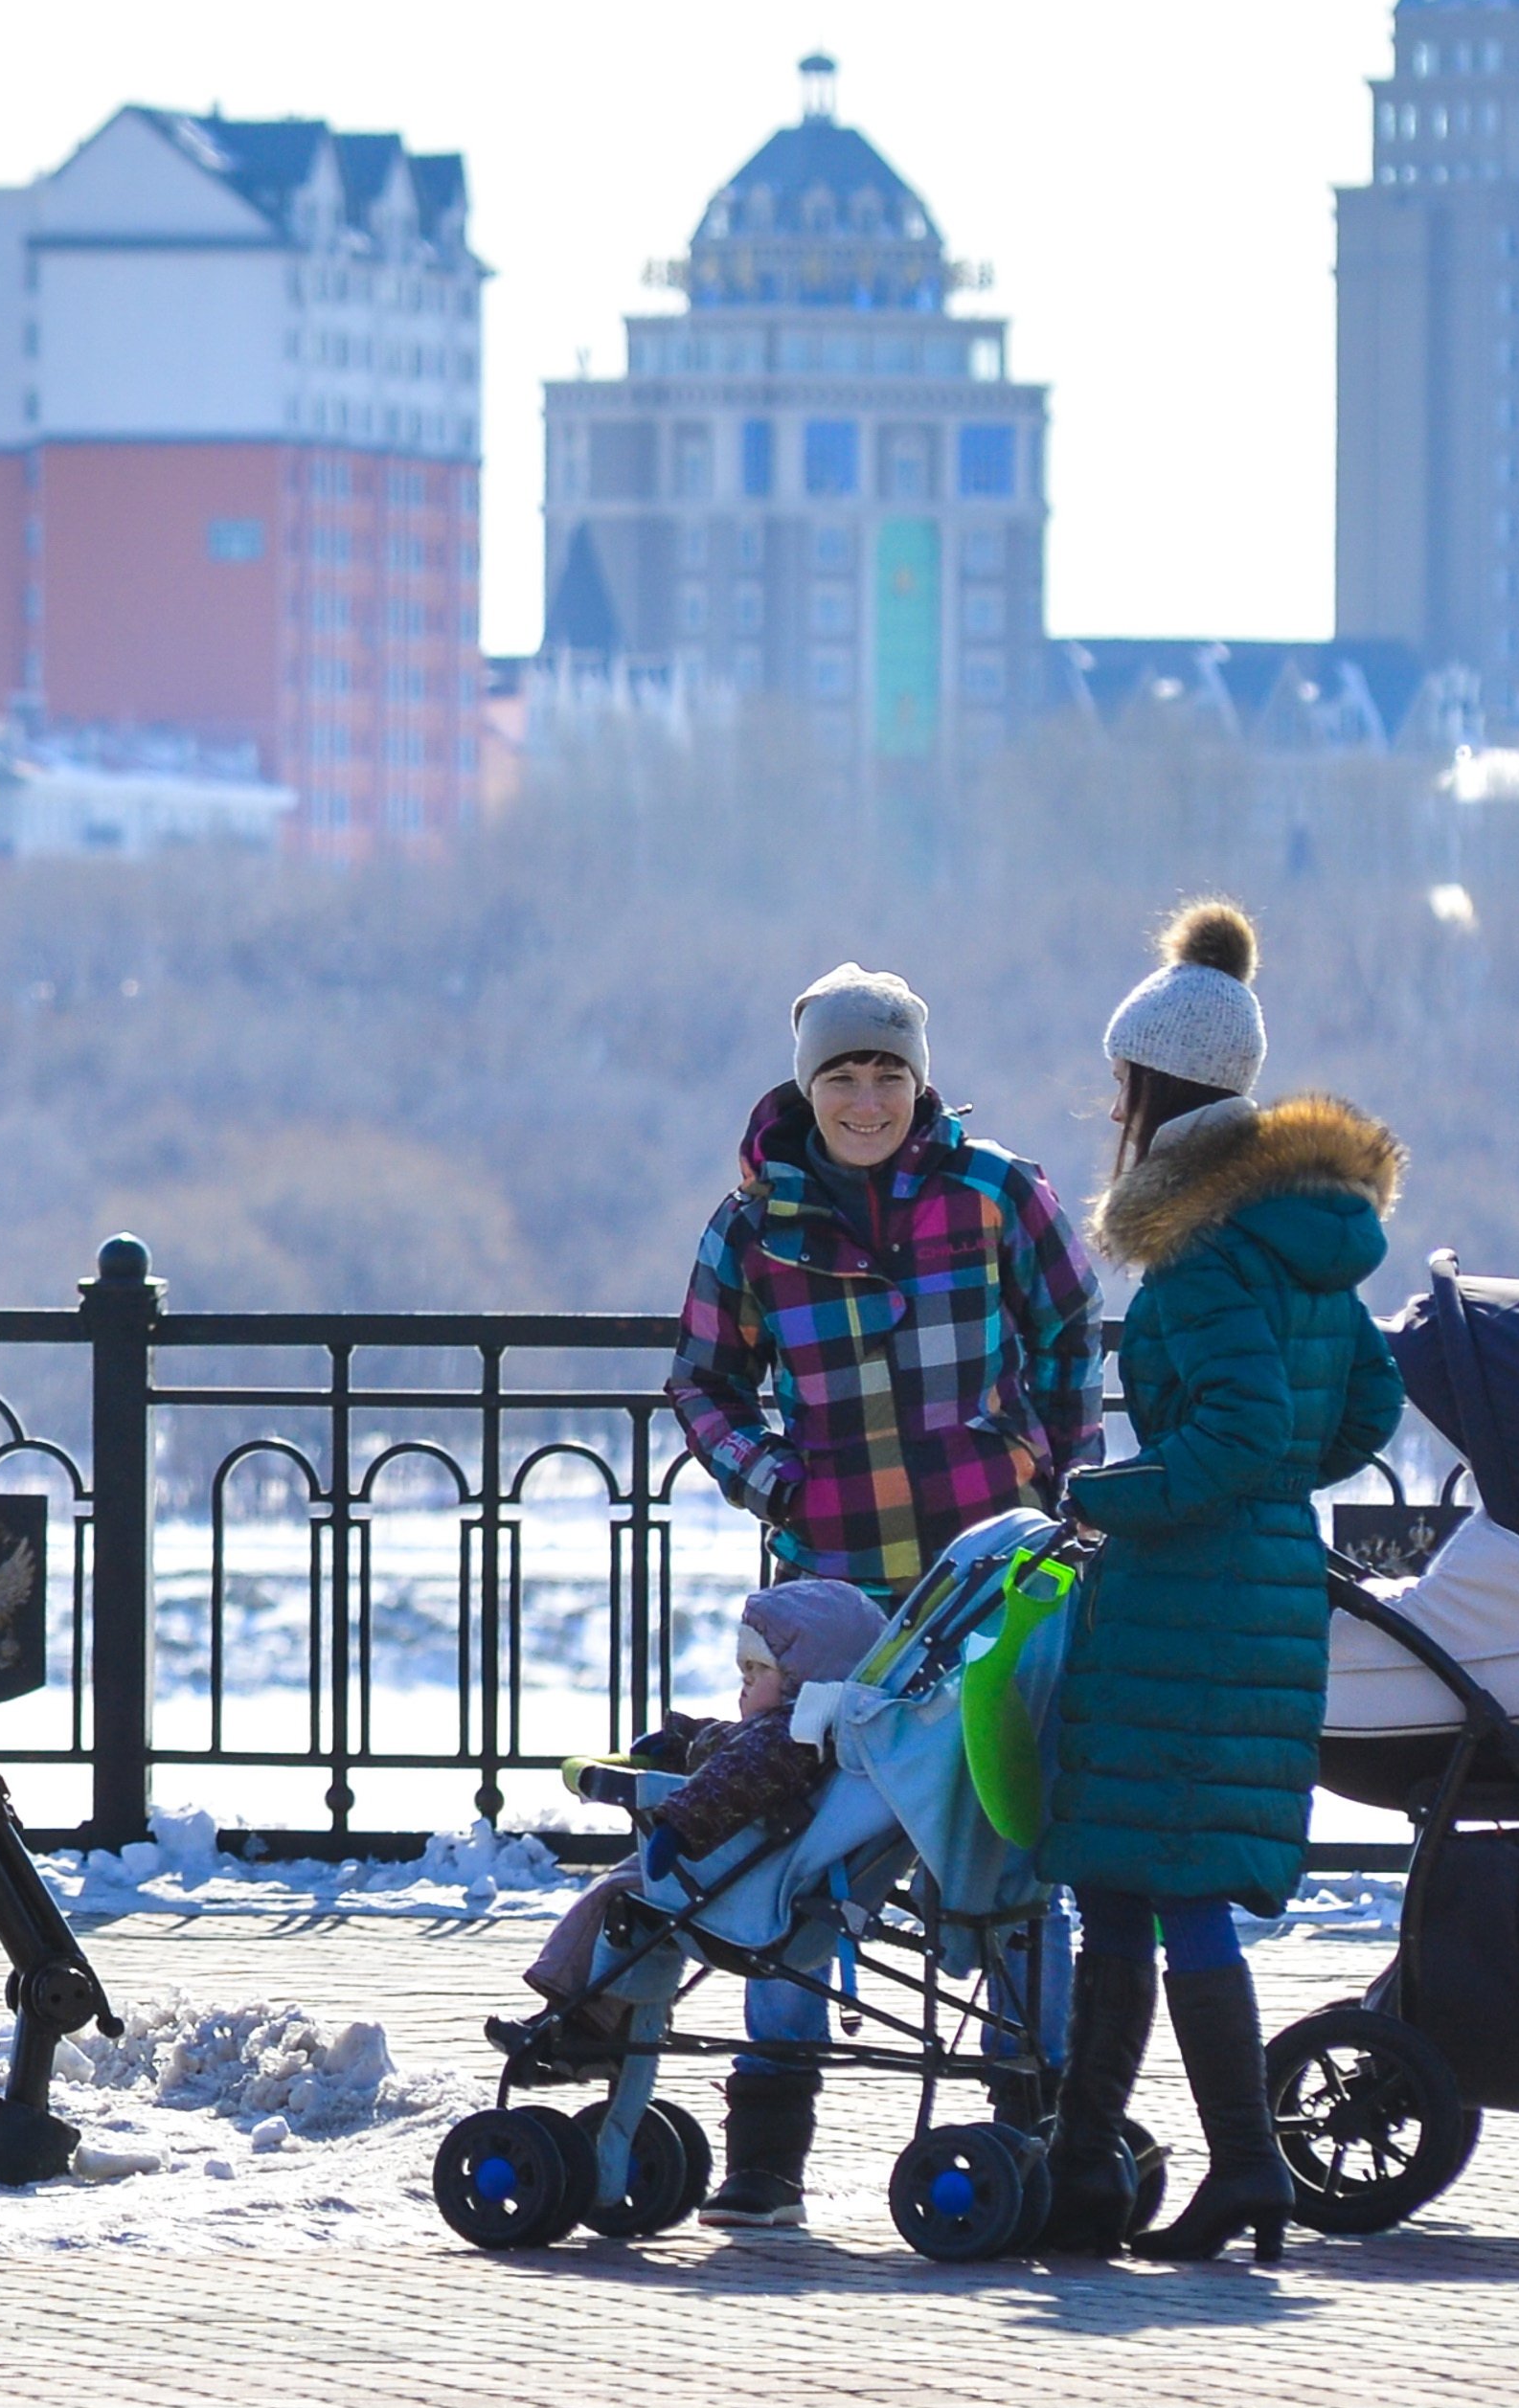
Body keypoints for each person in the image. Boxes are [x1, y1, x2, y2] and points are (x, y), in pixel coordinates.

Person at [667, 964, 1100, 2224]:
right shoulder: (756, 1222)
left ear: (922, 1080)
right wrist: (773, 1480)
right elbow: (700, 1378)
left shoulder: (998, 1194)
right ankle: (768, 2148)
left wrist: (1046, 1468)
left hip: (993, 1592)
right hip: (835, 1585)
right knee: (793, 1858)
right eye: (845, 1077)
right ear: (811, 1088)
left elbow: (1074, 1326)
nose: (868, 1099)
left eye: (890, 1074)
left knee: (1017, 1852)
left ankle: (1043, 2119)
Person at [1035, 902, 1403, 2261]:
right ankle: (1095, 2171)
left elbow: (1235, 1437)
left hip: (1184, 1599)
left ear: (1151, 1091)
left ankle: (1224, 2168)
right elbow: (1363, 1406)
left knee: (1151, 1889)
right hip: (1264, 1588)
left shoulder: (1196, 1260)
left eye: (1120, 1083)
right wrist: (1273, 1481)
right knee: (1136, 1887)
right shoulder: (1300, 1241)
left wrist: (1107, 1494)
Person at [513, 1579, 892, 2228]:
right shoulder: (823, 1731)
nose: (744, 1684)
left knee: (619, 1897)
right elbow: (730, 1752)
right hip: (779, 1894)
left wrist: (677, 1824)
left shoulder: (784, 1738)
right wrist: (684, 1740)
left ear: (802, 1680)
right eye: (742, 1670)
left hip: (737, 1899)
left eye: (758, 1670)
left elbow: (734, 1782)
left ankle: (569, 2015)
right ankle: (595, 2026)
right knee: (639, 1910)